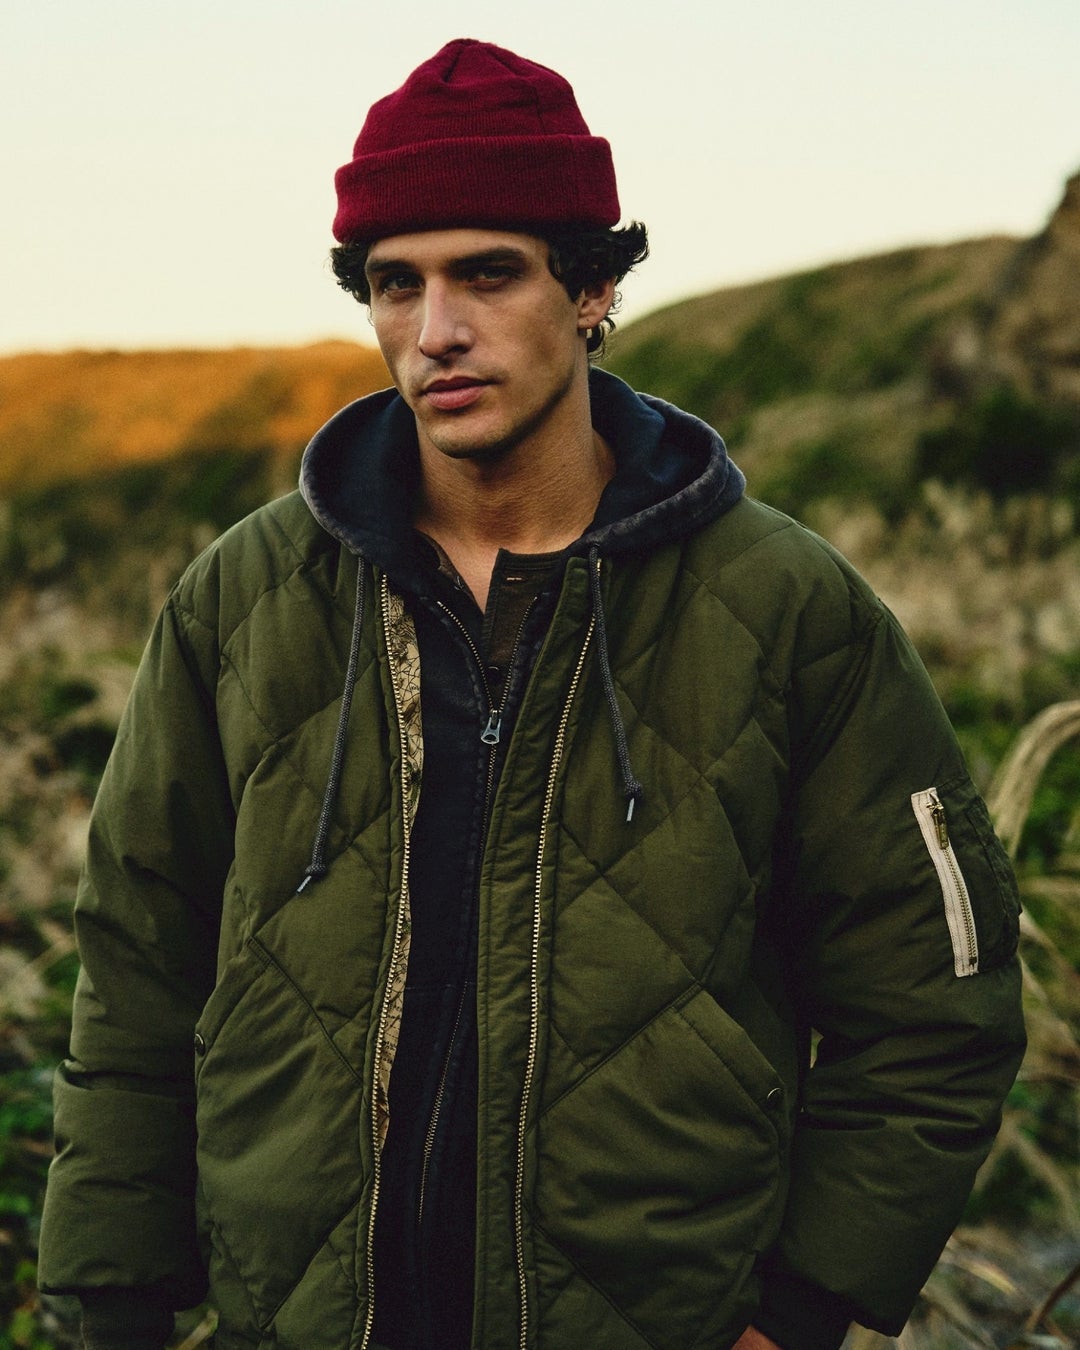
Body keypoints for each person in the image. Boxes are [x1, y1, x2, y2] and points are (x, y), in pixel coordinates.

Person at [39, 38, 1025, 1350]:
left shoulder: (788, 609)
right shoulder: (244, 600)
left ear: (594, 286)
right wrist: (110, 1301)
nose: (436, 330)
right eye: (396, 284)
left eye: (489, 273)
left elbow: (934, 1004)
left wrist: (800, 1313)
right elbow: (136, 971)